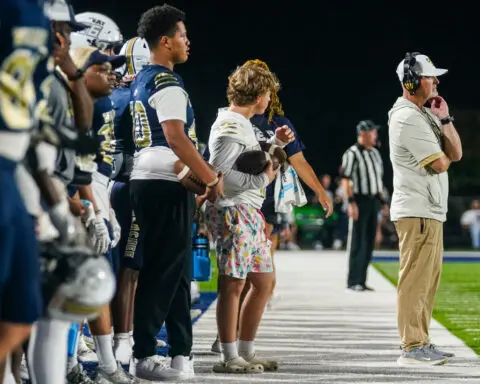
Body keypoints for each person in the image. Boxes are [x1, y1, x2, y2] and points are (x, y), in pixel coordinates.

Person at [129, 4, 223, 381]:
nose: (188, 41)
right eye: (182, 35)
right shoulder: (165, 82)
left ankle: (181, 352)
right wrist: (211, 179)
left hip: (154, 178)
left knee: (179, 272)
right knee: (162, 272)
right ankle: (144, 354)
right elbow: (175, 138)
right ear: (165, 41)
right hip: (163, 180)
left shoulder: (142, 80)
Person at [206, 64, 293, 374]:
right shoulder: (230, 125)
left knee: (263, 282)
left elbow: (250, 165)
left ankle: (245, 350)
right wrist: (264, 180)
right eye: (268, 93)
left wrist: (277, 147)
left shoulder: (240, 123)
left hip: (249, 211)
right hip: (234, 210)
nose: (270, 99)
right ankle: (228, 356)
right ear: (259, 96)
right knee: (233, 284)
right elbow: (219, 177)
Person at [389, 52, 462, 365]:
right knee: (415, 280)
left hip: (429, 209)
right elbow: (440, 163)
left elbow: (455, 153)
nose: (437, 81)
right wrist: (442, 148)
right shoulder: (406, 117)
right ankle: (411, 346)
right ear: (411, 81)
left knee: (427, 281)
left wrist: (444, 119)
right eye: (430, 76)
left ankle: (422, 341)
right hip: (417, 209)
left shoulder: (425, 114)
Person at [109, 36, 151, 365]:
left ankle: (118, 334)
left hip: (109, 182)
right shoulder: (139, 94)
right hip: (129, 181)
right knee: (130, 265)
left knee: (116, 264)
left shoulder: (114, 93)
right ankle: (123, 337)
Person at [340, 119, 385, 292]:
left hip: (373, 200)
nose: (375, 135)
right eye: (372, 132)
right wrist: (351, 203)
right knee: (357, 240)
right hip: (359, 199)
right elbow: (346, 179)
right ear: (363, 134)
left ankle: (362, 279)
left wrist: (382, 201)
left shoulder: (374, 153)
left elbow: (377, 179)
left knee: (369, 240)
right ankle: (353, 281)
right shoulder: (352, 153)